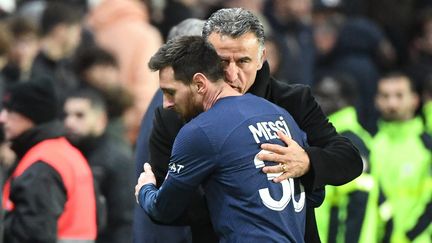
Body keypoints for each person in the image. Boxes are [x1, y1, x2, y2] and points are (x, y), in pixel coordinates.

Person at [140, 8, 362, 243]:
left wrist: (307, 162)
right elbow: (167, 203)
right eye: (222, 61)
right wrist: (238, 195)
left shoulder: (292, 101)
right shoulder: (174, 113)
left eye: (243, 60)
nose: (232, 74)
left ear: (261, 58)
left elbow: (349, 159)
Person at [0, 77, 97, 243]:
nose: (2, 118)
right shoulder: (66, 153)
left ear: (31, 116)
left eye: (10, 111)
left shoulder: (41, 167)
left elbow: (32, 236)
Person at [312, 73, 383, 243]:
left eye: (325, 96)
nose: (317, 100)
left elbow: (357, 203)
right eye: (316, 94)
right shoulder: (325, 137)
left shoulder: (349, 142)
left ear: (344, 101)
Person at [64, 89, 135, 243]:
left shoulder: (116, 159)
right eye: (66, 115)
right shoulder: (66, 154)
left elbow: (124, 221)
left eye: (79, 115)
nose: (69, 122)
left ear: (100, 119)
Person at [371, 73, 432, 242]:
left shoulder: (427, 146)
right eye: (385, 96)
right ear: (377, 101)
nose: (392, 103)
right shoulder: (371, 146)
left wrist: (410, 234)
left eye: (399, 95)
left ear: (414, 99)